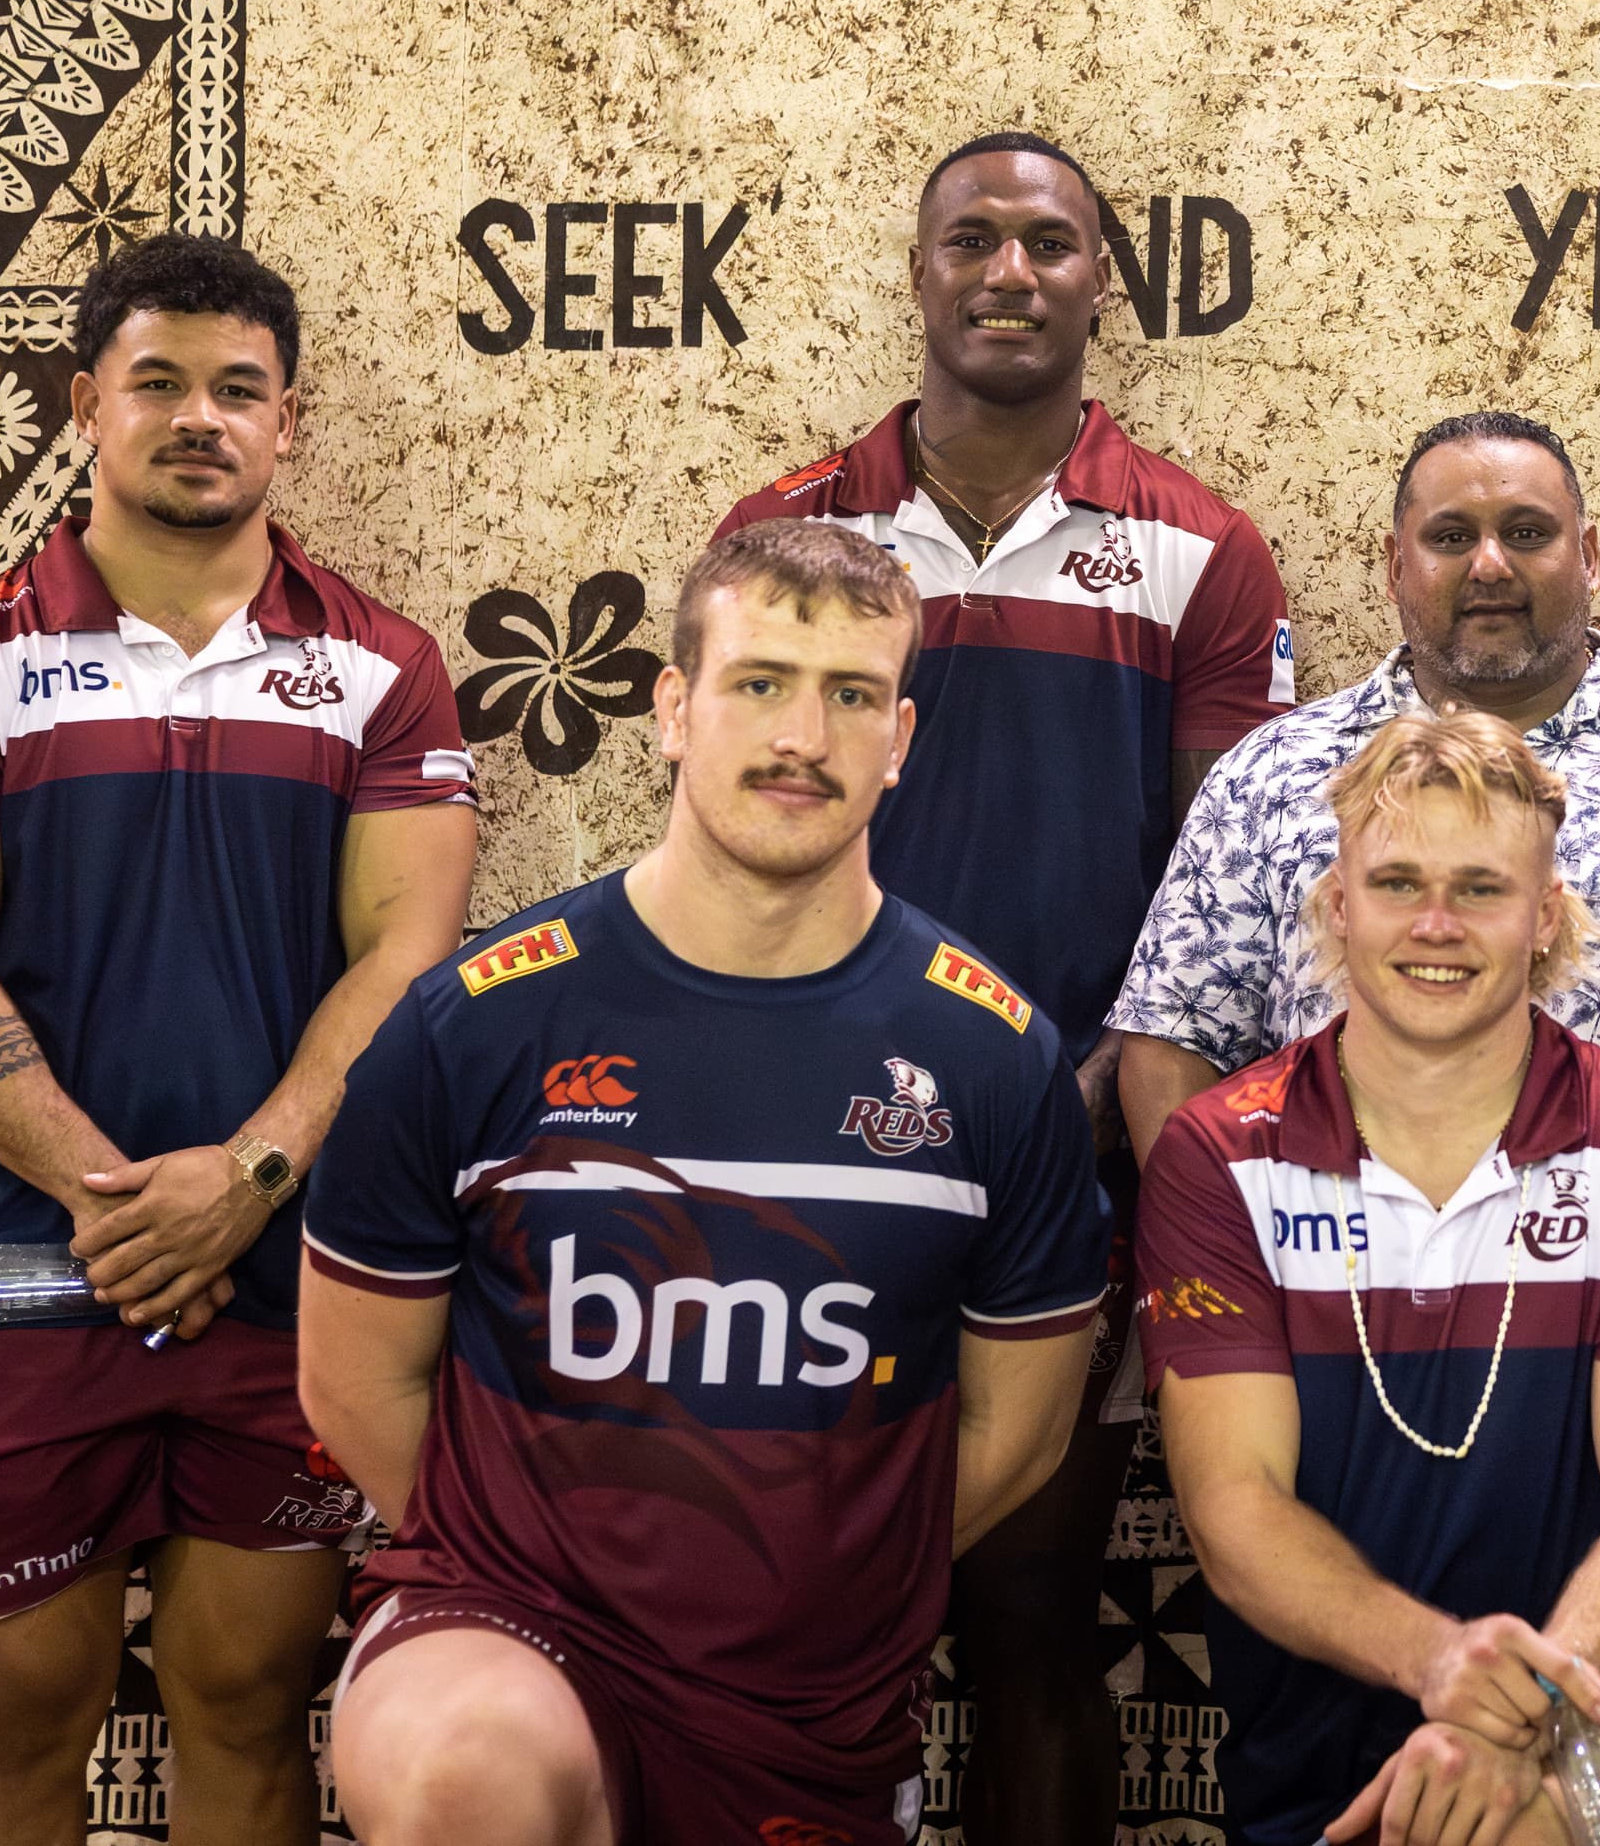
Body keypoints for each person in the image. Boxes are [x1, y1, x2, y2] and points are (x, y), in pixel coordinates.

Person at [1112, 412, 1600, 1844]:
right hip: (1330, 1345)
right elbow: (1168, 1035)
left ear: (1591, 556)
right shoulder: (1276, 776)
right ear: (1394, 564)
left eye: (1528, 532)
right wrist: (1211, 1249)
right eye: (1452, 534)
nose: (1492, 563)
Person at [303, 520, 1112, 1846]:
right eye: (759, 682)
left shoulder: (991, 1056)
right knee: (471, 1778)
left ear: (900, 738)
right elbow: (354, 1381)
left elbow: (1013, 1431)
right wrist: (547, 1566)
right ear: (674, 711)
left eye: (850, 695)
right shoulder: (480, 1023)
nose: (804, 737)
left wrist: (815, 1580)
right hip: (510, 1621)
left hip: (815, 1694)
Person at [0, 235, 480, 1846]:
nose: (199, 417)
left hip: (290, 1271)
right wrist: (118, 1198)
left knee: (251, 1706)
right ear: (84, 407)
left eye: (238, 390)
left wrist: (250, 1178)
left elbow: (409, 958)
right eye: (159, 383)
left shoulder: (383, 670)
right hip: (5, 1259)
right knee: (19, 1715)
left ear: (288, 425)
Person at [718, 129, 1294, 1846]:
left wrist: (1118, 1077)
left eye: (1049, 242)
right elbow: (737, 833)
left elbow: (1225, 881)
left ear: (1101, 278)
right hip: (814, 1149)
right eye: (972, 238)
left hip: (1073, 1160)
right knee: (798, 1616)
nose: (1011, 272)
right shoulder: (790, 530)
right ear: (919, 273)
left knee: (1035, 1622)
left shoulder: (1201, 549)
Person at [1140, 708, 1600, 1846]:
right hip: (1312, 1774)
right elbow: (1234, 1510)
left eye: (1480, 888)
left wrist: (1516, 1719)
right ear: (1336, 904)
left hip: (1577, 1747)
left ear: (1544, 916)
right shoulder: (1221, 1154)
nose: (1435, 924)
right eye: (1397, 881)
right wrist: (1445, 1664)